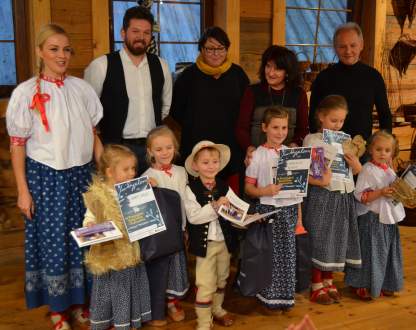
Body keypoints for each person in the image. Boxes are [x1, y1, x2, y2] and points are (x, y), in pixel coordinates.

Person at [6, 24, 103, 330]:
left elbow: (94, 135)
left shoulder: (82, 89)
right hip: (46, 178)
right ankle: (59, 310)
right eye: (54, 49)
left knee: (86, 238)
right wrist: (23, 190)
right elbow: (17, 145)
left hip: (82, 176)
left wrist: (107, 176)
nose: (62, 56)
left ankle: (80, 303)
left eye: (66, 49)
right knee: (54, 243)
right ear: (39, 51)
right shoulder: (25, 93)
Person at [84, 5, 172, 175]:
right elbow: (87, 111)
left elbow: (165, 106)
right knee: (117, 201)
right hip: (116, 150)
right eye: (135, 31)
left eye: (146, 33)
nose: (141, 37)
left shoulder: (161, 65)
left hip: (151, 151)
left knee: (151, 198)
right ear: (123, 33)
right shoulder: (101, 65)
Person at [170, 26, 249, 193]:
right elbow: (176, 112)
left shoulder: (238, 75)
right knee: (199, 198)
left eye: (220, 48)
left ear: (227, 49)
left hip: (231, 148)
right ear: (201, 49)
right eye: (210, 49)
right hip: (197, 147)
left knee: (230, 197)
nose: (215, 53)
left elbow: (247, 110)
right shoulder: (187, 76)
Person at [83, 145, 151, 330]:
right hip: (108, 254)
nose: (132, 173)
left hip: (128, 251)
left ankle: (125, 321)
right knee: (108, 289)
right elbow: (90, 215)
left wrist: (147, 188)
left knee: (125, 287)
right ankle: (109, 320)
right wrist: (90, 224)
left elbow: (143, 213)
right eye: (126, 169)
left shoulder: (132, 190)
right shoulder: (98, 195)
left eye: (133, 169)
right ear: (110, 172)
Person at [302, 95, 362, 305]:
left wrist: (354, 162)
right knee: (320, 237)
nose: (337, 125)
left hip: (343, 196)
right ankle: (316, 283)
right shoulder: (313, 140)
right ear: (321, 117)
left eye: (341, 121)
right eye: (333, 120)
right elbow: (317, 175)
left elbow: (356, 172)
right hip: (323, 195)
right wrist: (326, 159)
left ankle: (329, 280)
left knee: (337, 237)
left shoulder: (348, 142)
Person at [244, 107, 302, 314]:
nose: (280, 132)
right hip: (268, 211)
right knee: (269, 255)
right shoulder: (257, 155)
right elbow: (248, 188)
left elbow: (298, 188)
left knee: (287, 254)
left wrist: (299, 218)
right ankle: (268, 296)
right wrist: (265, 190)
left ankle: (285, 297)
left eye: (284, 127)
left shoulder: (290, 153)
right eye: (275, 127)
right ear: (264, 127)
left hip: (289, 210)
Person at [183, 141, 238, 330]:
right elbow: (194, 217)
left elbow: (235, 212)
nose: (211, 166)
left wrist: (241, 215)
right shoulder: (190, 189)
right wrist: (216, 207)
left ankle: (218, 308)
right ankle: (204, 323)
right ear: (195, 166)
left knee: (222, 278)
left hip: (224, 242)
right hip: (205, 245)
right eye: (205, 162)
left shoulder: (225, 186)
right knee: (205, 283)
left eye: (215, 161)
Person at [345, 131, 405, 300]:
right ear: (371, 149)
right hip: (372, 218)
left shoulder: (390, 172)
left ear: (392, 153)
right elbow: (362, 197)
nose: (383, 154)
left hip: (389, 218)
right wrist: (380, 192)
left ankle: (386, 282)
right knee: (370, 252)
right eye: (379, 149)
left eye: (387, 150)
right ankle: (362, 284)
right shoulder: (367, 170)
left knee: (387, 251)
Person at [309, 22, 392, 141]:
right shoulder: (323, 78)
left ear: (361, 45)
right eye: (342, 46)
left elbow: (385, 115)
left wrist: (386, 144)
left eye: (353, 45)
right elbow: (313, 116)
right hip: (330, 149)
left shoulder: (374, 77)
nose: (348, 51)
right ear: (335, 48)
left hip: (362, 149)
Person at [143, 126, 189, 323]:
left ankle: (172, 302)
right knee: (159, 270)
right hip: (159, 235)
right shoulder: (147, 176)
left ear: (175, 147)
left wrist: (185, 228)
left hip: (178, 229)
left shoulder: (181, 171)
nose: (164, 153)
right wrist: (146, 186)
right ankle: (156, 306)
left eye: (168, 147)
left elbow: (185, 201)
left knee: (176, 268)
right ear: (150, 151)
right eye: (159, 149)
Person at [236, 45, 309, 166]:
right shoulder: (252, 91)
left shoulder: (299, 94)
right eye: (268, 66)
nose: (270, 73)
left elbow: (303, 129)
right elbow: (241, 128)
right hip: (256, 157)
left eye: (277, 69)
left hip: (287, 159)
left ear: (287, 72)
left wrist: (294, 145)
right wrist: (249, 148)